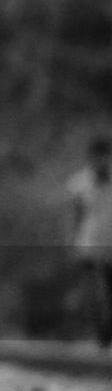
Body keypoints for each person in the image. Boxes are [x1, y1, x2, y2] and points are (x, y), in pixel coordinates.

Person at [68, 136, 112, 348]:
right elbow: (74, 216)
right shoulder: (79, 184)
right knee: (93, 293)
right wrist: (71, 241)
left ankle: (106, 332)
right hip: (88, 245)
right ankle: (101, 337)